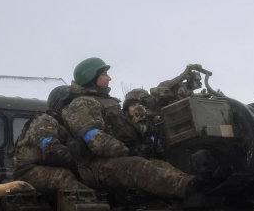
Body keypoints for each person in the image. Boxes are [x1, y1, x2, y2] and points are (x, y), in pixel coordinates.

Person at [62, 57, 195, 198]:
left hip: (115, 158)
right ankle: (191, 190)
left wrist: (142, 144)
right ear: (91, 77)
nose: (109, 78)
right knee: (137, 166)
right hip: (95, 165)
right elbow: (96, 141)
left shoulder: (105, 101)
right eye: (104, 74)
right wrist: (129, 150)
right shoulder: (81, 104)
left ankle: (193, 182)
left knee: (158, 164)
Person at [12, 85, 93, 194]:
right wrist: (79, 161)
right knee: (63, 177)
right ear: (59, 105)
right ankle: (92, 208)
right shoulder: (44, 122)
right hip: (28, 171)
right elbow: (52, 150)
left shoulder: (69, 124)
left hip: (50, 166)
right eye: (69, 104)